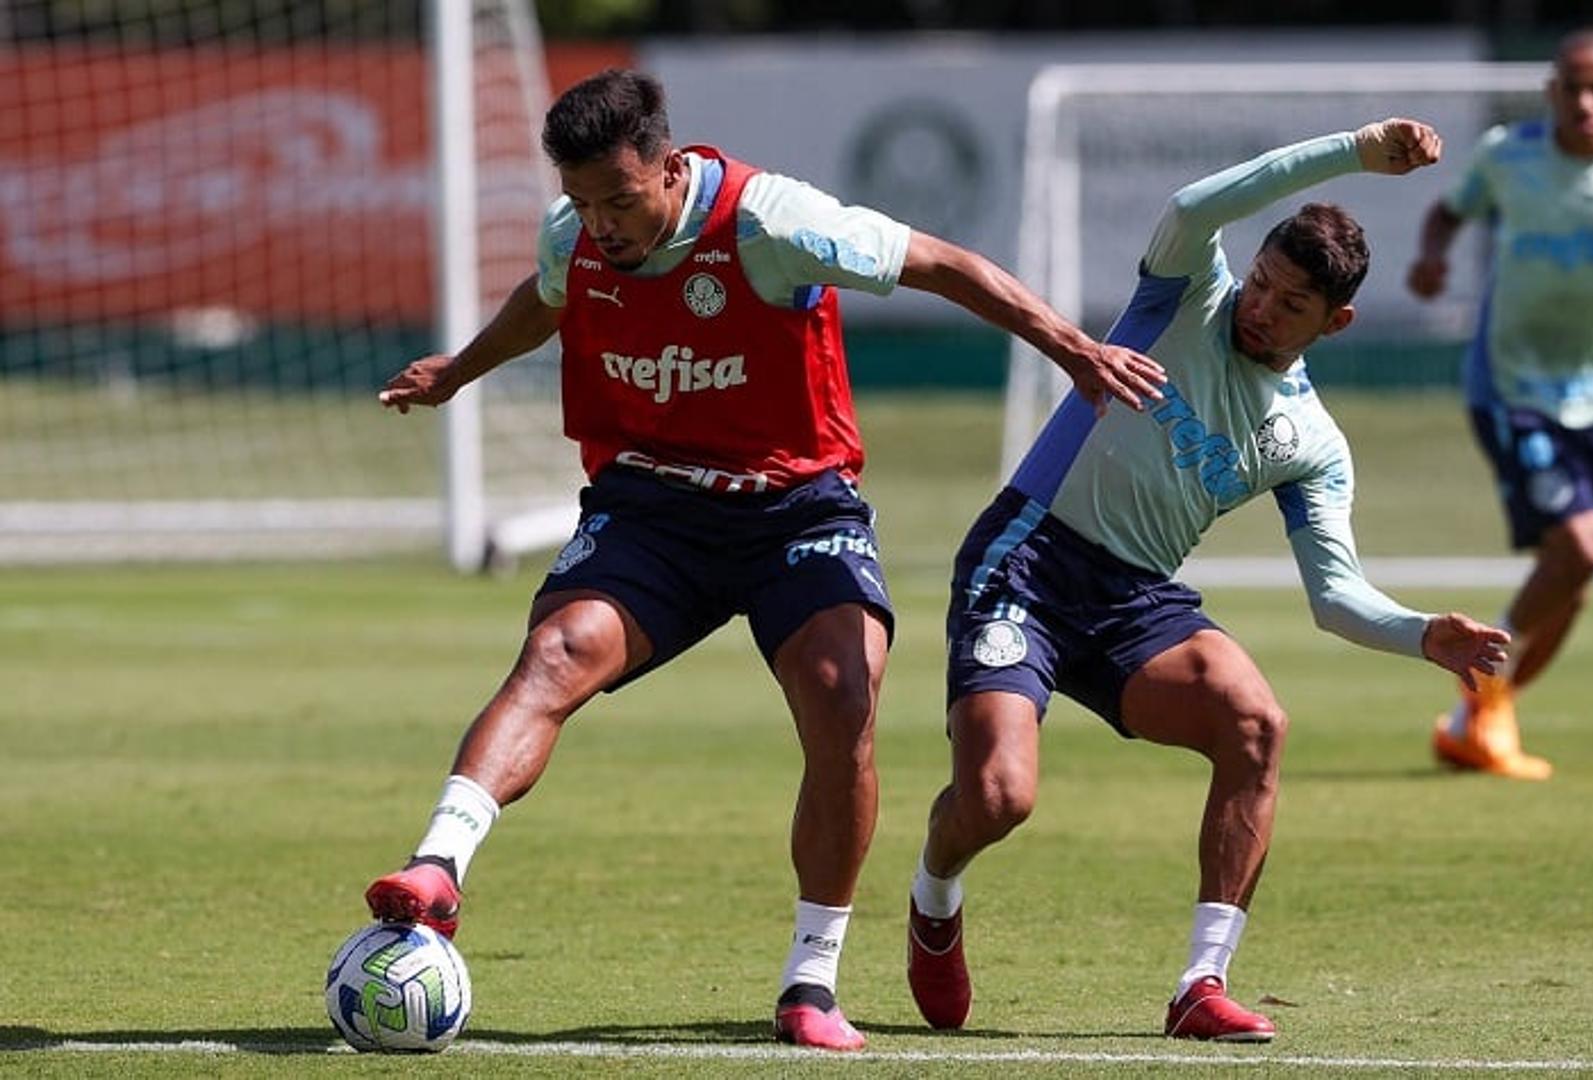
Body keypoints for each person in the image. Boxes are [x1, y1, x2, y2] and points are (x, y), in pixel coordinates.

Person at [363, 68, 1166, 1052]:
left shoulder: (770, 221)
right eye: (582, 202)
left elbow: (939, 262)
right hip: (653, 506)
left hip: (797, 508)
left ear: (670, 166)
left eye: (620, 199)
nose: (601, 224)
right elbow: (548, 298)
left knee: (844, 694)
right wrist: (459, 370)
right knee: (557, 652)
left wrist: (1073, 347)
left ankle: (811, 983)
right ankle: (438, 869)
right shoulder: (574, 236)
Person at [902, 118, 1512, 1042]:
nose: (1261, 307)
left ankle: (1201, 984)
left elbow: (1334, 595)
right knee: (998, 800)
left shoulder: (1313, 445)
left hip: (1135, 601)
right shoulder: (1186, 290)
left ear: (1335, 323)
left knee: (1257, 721)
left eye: (1291, 303)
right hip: (1026, 558)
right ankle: (934, 897)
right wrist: (1355, 150)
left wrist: (1420, 632)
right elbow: (1198, 204)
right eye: (1263, 281)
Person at [1405, 28, 1593, 781]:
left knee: (1572, 584)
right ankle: (1481, 676)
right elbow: (1450, 210)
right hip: (1510, 387)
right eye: (1571, 86)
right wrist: (1432, 257)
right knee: (1581, 548)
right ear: (1550, 92)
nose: (1585, 101)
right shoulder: (1507, 155)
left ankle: (1470, 723)